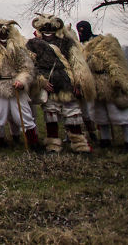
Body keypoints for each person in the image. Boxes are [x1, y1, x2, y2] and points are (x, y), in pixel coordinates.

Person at [26, 14, 95, 154]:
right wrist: (40, 81)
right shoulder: (33, 44)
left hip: (67, 84)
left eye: (50, 29)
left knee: (73, 115)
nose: (47, 31)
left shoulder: (67, 42)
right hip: (49, 85)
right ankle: (53, 145)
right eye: (44, 29)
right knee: (50, 116)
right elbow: (29, 65)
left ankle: (79, 144)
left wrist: (78, 83)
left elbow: (77, 64)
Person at [0, 19, 43, 153]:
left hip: (15, 87)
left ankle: (34, 143)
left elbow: (26, 68)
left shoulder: (18, 49)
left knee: (24, 115)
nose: (3, 37)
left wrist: (21, 81)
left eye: (5, 33)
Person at [79, 21, 128, 154]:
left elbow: (114, 63)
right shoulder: (80, 47)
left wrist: (118, 80)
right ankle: (105, 139)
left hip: (108, 82)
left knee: (119, 111)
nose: (81, 33)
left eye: (83, 30)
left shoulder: (104, 43)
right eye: (79, 30)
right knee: (99, 113)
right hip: (93, 83)